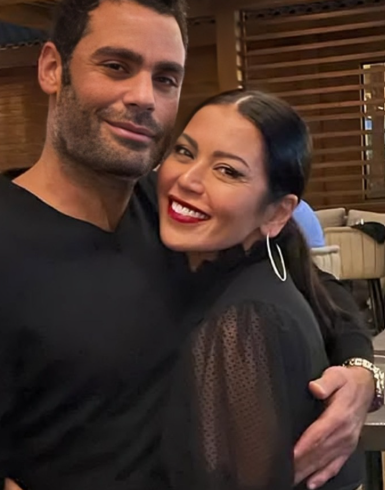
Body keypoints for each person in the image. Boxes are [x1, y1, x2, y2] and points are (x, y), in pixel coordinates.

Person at [0, 0, 377, 490]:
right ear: (52, 68)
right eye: (116, 66)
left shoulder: (171, 212)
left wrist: (362, 375)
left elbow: (314, 286)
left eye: (166, 78)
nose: (143, 97)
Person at [156, 90, 371, 489]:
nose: (188, 179)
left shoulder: (242, 323)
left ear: (277, 213)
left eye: (227, 171)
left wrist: (362, 372)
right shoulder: (255, 275)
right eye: (184, 152)